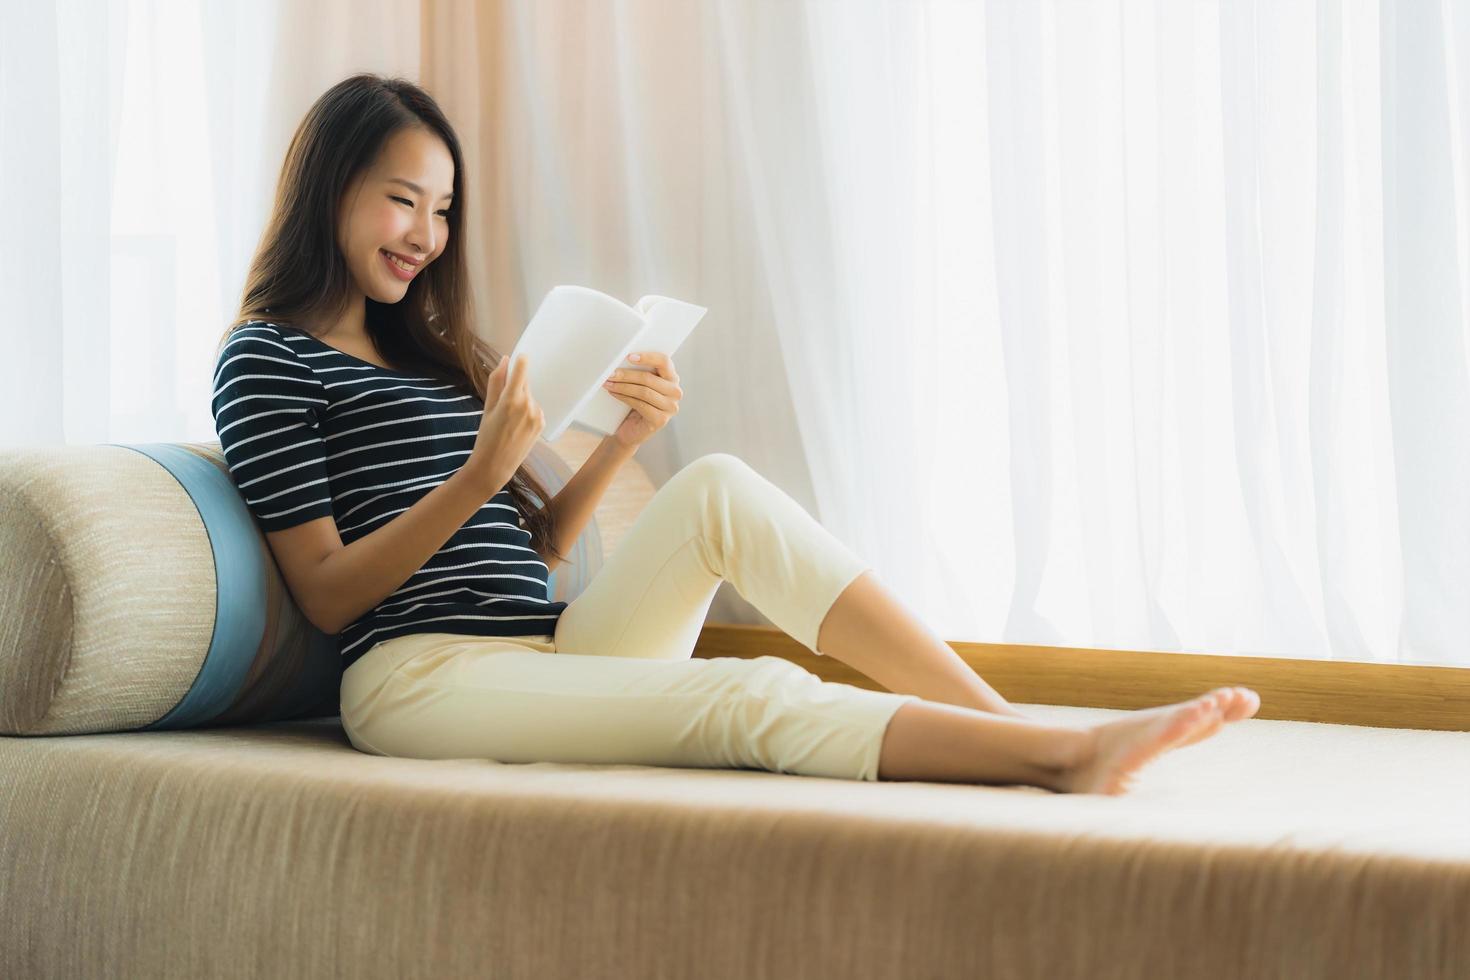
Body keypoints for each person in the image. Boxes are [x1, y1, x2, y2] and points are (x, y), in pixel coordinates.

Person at [210, 72, 1259, 796]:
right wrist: (484, 468)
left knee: (712, 482)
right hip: (417, 677)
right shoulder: (265, 359)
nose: (427, 237)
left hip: (544, 643)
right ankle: (1054, 762)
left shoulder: (438, 354)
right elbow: (329, 591)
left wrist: (621, 440)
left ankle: (1011, 725)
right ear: (332, 187)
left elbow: (531, 556)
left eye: (442, 211)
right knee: (744, 694)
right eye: (404, 201)